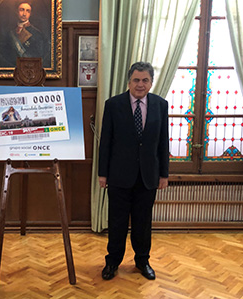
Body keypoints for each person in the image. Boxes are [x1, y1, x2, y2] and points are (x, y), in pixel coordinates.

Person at [98, 62, 169, 281]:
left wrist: (164, 174)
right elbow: (106, 142)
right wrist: (102, 173)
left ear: (151, 82)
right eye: (136, 80)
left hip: (148, 175)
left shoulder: (160, 105)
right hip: (119, 174)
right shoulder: (113, 104)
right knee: (117, 221)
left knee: (143, 222)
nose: (140, 84)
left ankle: (142, 261)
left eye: (145, 80)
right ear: (129, 81)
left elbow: (163, 142)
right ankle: (112, 262)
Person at [0, 1, 49, 67]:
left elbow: (39, 55)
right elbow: (6, 54)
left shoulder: (37, 34)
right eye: (22, 10)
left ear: (30, 14)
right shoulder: (10, 33)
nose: (24, 14)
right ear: (16, 11)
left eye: (28, 11)